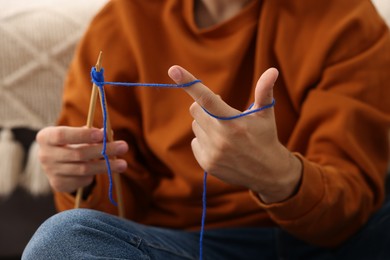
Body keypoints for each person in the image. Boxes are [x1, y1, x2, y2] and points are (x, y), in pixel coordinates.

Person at [22, 0, 390, 259]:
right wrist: (80, 179)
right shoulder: (123, 20)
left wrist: (280, 177)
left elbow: (351, 206)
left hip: (331, 246)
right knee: (62, 240)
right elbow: (114, 207)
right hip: (183, 246)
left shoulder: (345, 17)